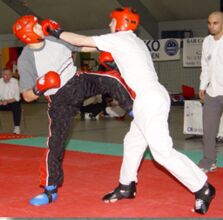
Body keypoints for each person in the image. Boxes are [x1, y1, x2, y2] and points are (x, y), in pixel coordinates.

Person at [46, 7, 216, 214]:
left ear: (120, 22)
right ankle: (127, 185)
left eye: (111, 22)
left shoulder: (120, 39)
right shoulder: (134, 41)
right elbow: (89, 51)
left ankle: (202, 187)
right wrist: (63, 43)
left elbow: (82, 42)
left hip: (149, 99)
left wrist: (56, 32)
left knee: (162, 153)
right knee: (133, 142)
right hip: (148, 98)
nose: (109, 25)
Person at [13, 15, 134, 206]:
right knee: (55, 144)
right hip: (59, 99)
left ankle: (134, 111)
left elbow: (83, 46)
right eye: (35, 26)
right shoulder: (25, 60)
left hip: (78, 82)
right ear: (27, 34)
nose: (40, 27)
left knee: (111, 79)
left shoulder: (53, 38)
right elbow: (27, 96)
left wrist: (110, 45)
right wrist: (39, 88)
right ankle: (50, 190)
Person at [198, 11, 223, 173]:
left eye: (216, 23)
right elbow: (205, 66)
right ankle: (209, 161)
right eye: (209, 23)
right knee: (208, 129)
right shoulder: (206, 41)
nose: (211, 26)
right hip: (212, 92)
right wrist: (202, 85)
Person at [0, 68, 21, 134]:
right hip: (1, 102)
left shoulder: (15, 82)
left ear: (11, 75)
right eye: (5, 74)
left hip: (12, 102)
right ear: (2, 75)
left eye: (9, 74)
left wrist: (7, 101)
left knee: (17, 105)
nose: (7, 76)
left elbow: (17, 97)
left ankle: (16, 127)